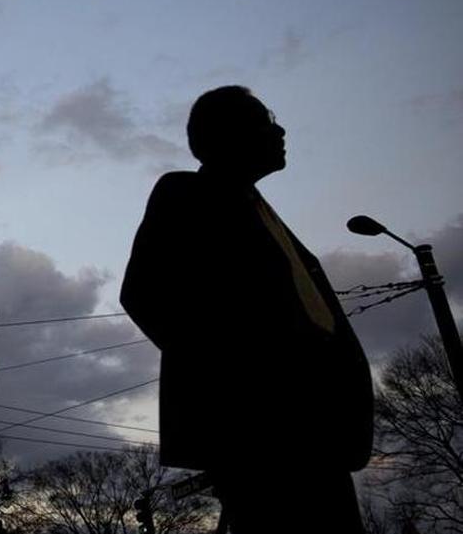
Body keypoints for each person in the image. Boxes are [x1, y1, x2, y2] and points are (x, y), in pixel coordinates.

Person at [120, 86, 373, 533]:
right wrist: (243, 386)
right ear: (225, 135)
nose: (279, 129)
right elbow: (144, 293)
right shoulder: (186, 192)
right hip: (265, 435)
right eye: (263, 119)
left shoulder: (264, 214)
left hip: (320, 437)